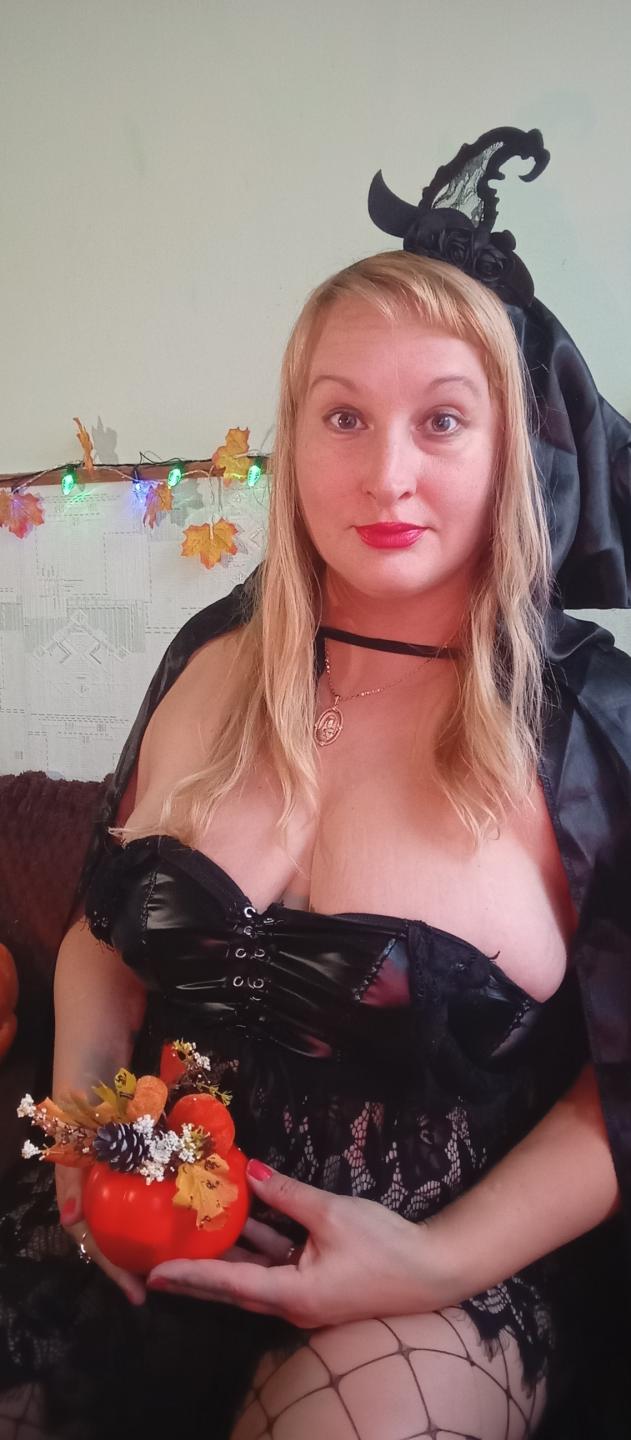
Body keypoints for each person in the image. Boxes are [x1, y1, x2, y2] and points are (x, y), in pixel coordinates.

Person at [2, 131, 631, 1439]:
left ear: (513, 448)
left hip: (437, 1280)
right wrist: (86, 1135)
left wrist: (432, 1264)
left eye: (441, 419)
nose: (386, 473)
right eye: (344, 416)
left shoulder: (591, 726)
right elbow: (104, 940)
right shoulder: (213, 660)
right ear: (296, 435)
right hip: (146, 1212)